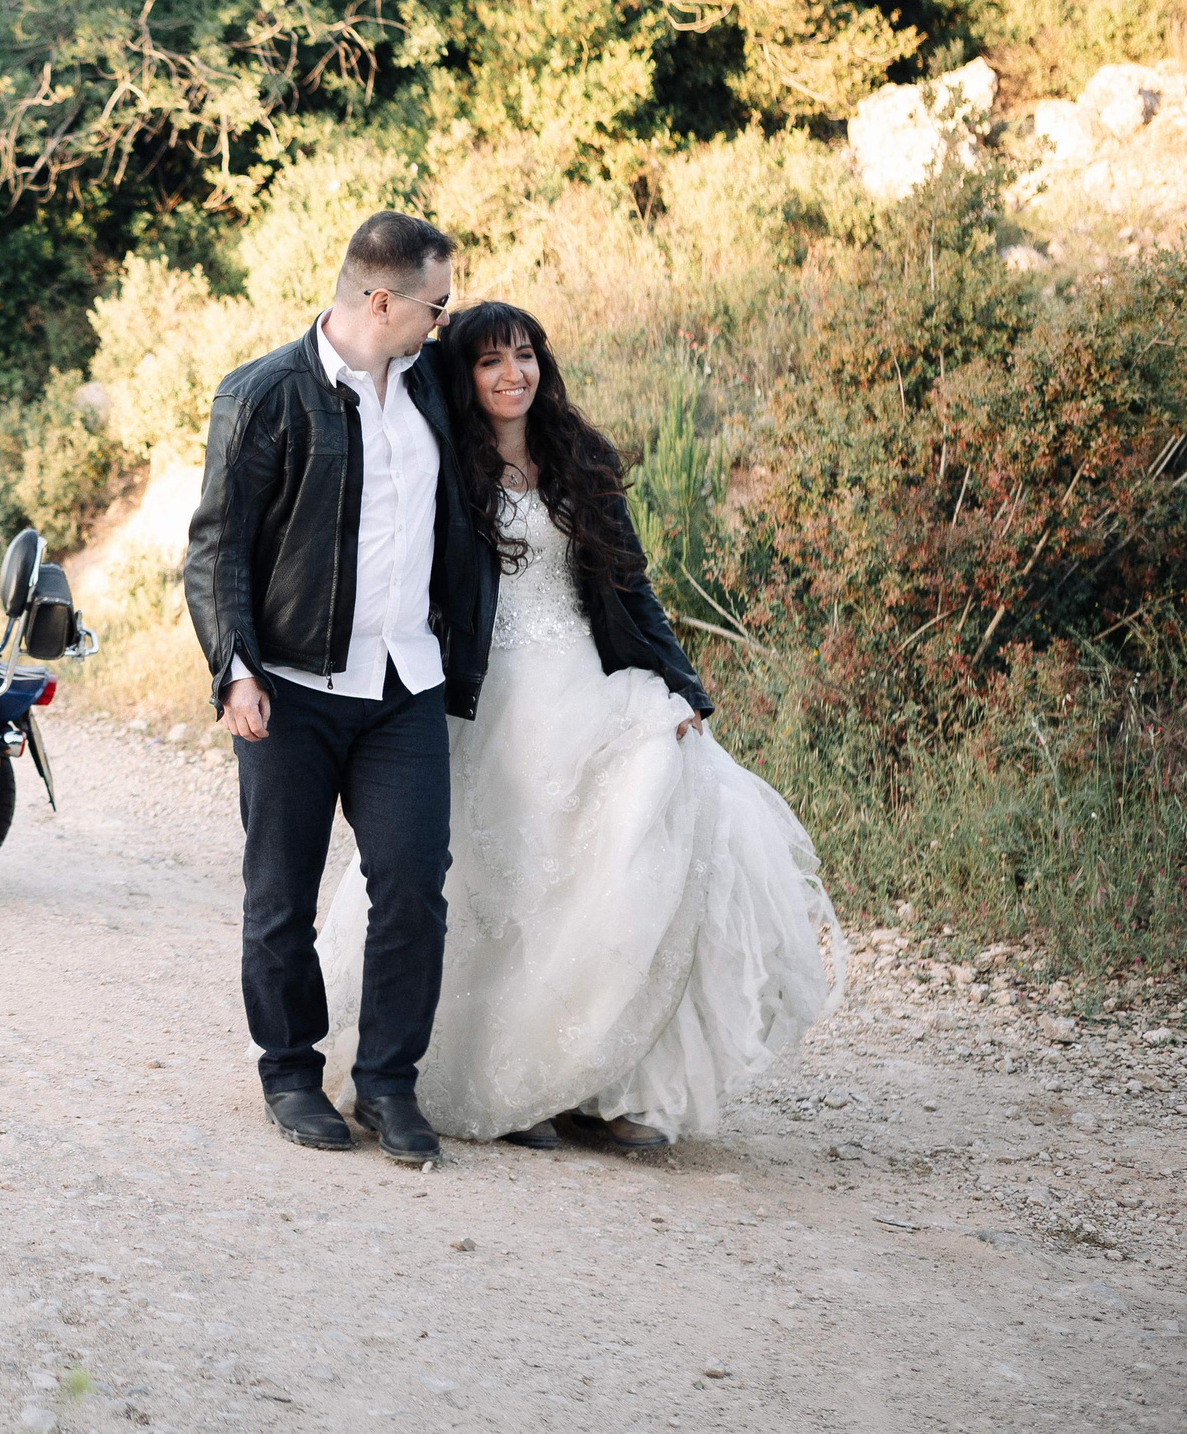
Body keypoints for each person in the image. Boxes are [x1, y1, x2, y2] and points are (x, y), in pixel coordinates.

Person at [315, 300, 843, 1150]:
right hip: (489, 693)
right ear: (466, 376)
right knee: (503, 886)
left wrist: (683, 685)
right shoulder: (445, 464)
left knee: (630, 848)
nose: (511, 374)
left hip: (589, 683)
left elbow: (631, 586)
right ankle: (502, 1086)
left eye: (524, 355)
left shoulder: (580, 458)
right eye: (490, 361)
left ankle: (601, 1084)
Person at [183, 211, 497, 1164]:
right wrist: (233, 670)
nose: (446, 324)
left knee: (413, 885)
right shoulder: (265, 394)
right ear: (381, 301)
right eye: (437, 308)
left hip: (404, 679)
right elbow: (217, 549)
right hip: (289, 685)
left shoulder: (432, 387)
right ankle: (289, 1070)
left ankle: (389, 1085)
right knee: (281, 888)